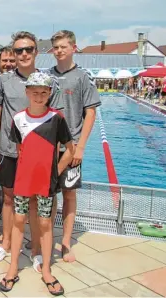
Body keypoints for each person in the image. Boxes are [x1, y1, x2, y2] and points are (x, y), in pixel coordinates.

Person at [0, 72, 73, 296]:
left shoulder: (57, 118)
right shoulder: (19, 118)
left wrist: (55, 172)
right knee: (18, 220)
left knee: (45, 223)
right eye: (35, 92)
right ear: (27, 93)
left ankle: (47, 270)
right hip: (23, 182)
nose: (39, 97)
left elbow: (70, 150)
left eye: (43, 93)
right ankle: (13, 267)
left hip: (45, 184)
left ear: (49, 93)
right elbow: (22, 150)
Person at [0, 31, 42, 264]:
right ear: (14, 53)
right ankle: (6, 242)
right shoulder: (4, 81)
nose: (24, 54)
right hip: (9, 150)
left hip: (37, 153)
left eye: (29, 49)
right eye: (19, 50)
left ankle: (37, 246)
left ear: (36, 52)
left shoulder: (45, 80)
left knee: (34, 200)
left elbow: (55, 117)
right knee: (8, 198)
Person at [48, 30, 100, 262]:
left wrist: (80, 147)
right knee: (49, 194)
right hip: (48, 146)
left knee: (69, 194)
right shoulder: (45, 75)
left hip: (72, 146)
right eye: (56, 47)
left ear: (73, 48)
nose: (59, 51)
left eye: (63, 46)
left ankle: (66, 241)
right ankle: (47, 237)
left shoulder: (83, 76)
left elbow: (90, 113)